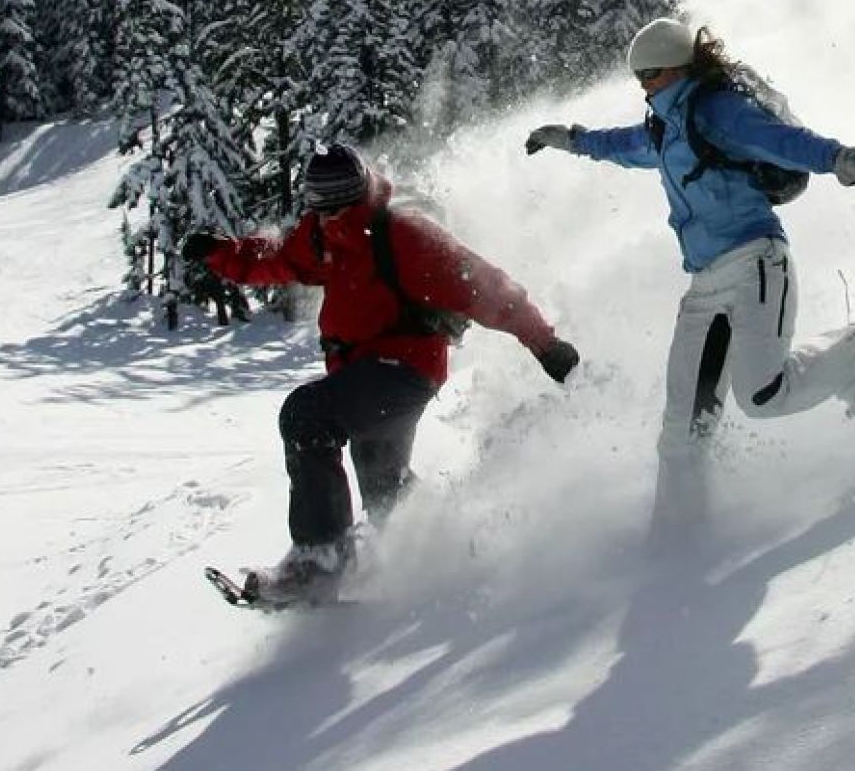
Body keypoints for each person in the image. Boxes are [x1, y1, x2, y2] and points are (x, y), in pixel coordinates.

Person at [524, 18, 855, 531]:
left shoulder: (716, 110)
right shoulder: (663, 128)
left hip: (755, 262)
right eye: (639, 77)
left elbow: (782, 141)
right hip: (705, 285)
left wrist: (838, 158)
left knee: (764, 395)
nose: (644, 86)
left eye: (652, 74)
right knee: (683, 427)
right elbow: (620, 145)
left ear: (679, 68)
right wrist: (571, 139)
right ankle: (678, 538)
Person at [184, 143, 579, 596]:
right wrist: (222, 253)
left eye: (339, 206)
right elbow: (276, 259)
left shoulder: (406, 236)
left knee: (306, 415)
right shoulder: (321, 235)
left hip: (405, 370)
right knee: (383, 486)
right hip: (360, 374)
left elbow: (486, 288)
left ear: (359, 194)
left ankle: (320, 560)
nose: (330, 217)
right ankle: (449, 550)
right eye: (321, 207)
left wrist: (545, 344)